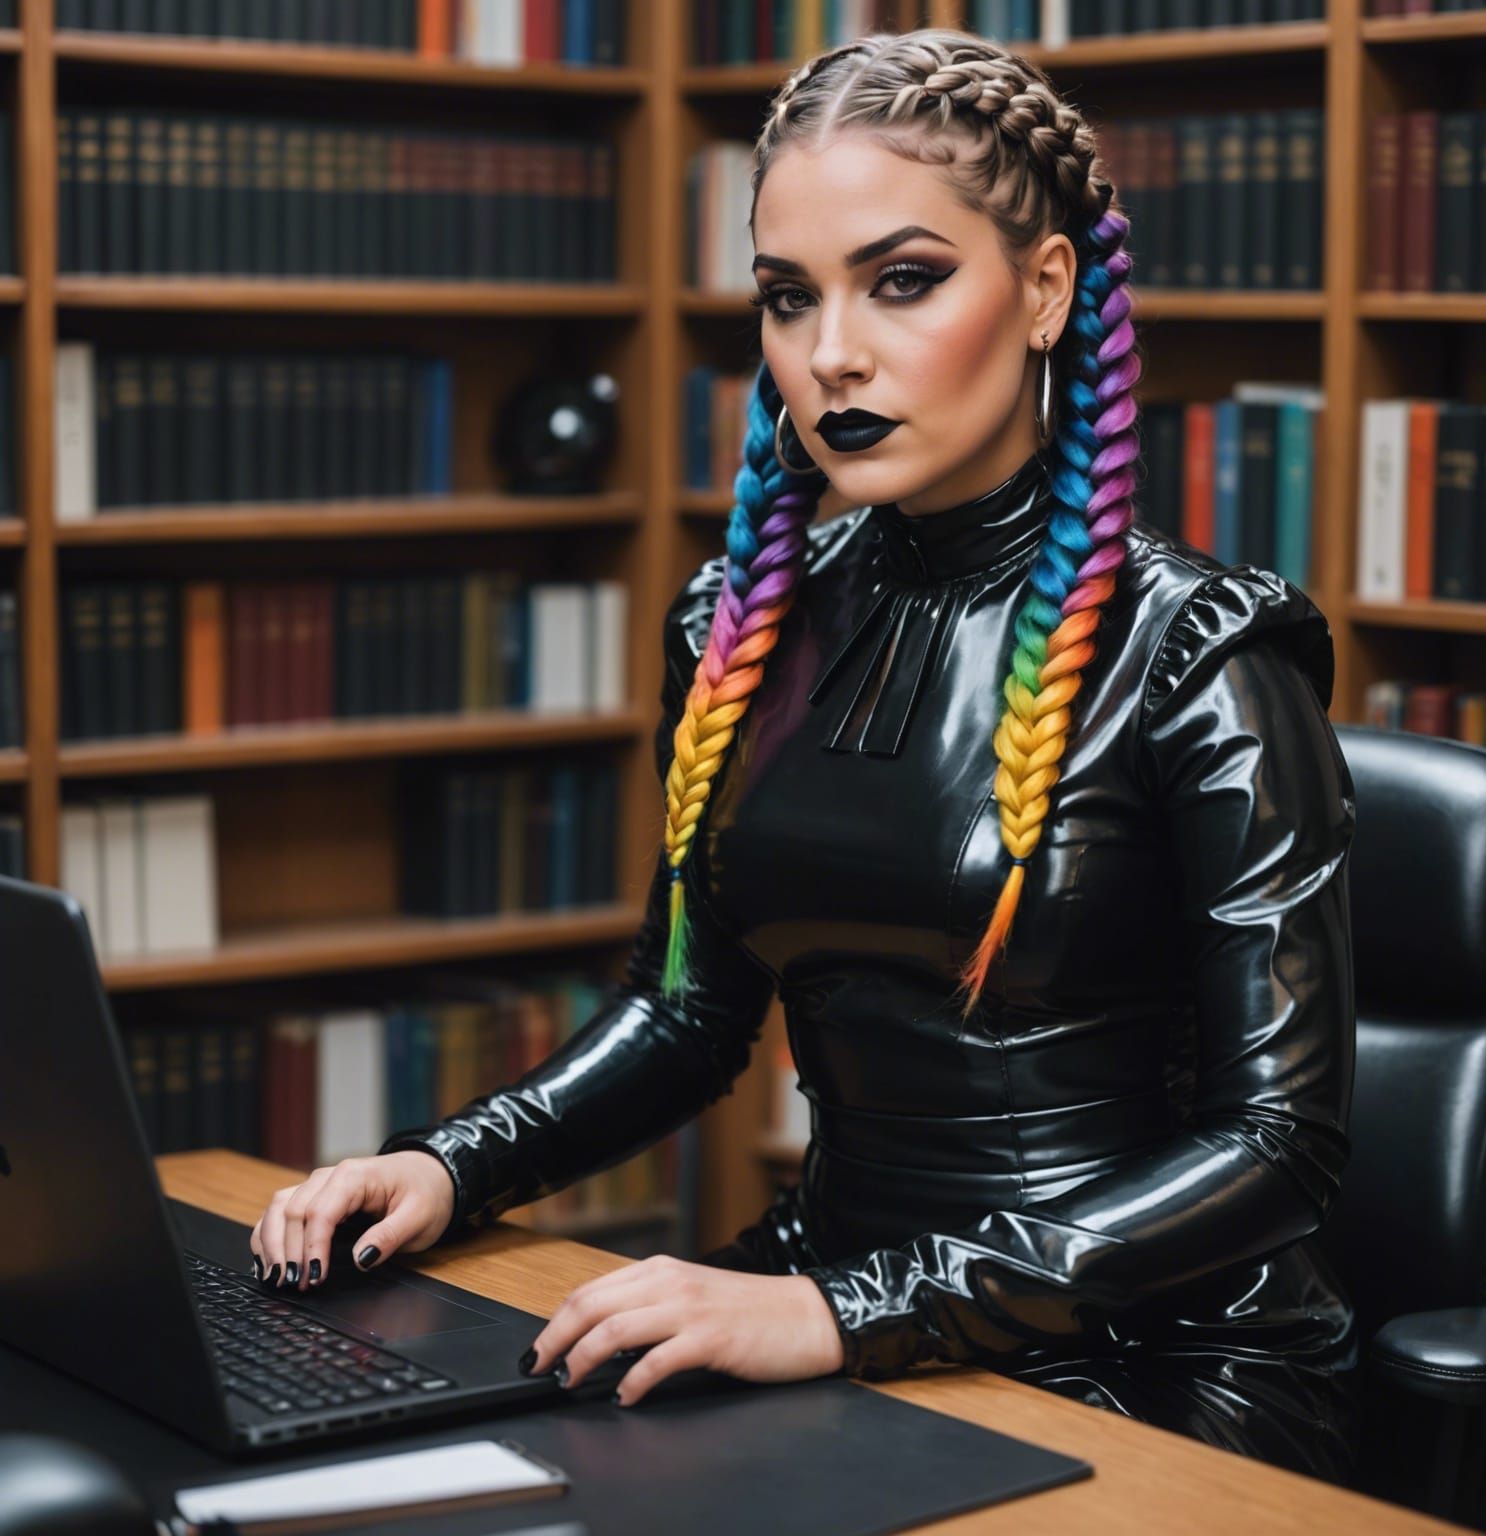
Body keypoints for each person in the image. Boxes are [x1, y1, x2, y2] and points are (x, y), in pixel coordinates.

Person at [249, 29, 1361, 1485]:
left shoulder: (1204, 647)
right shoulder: (738, 624)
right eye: (788, 296)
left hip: (1162, 1352)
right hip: (827, 1289)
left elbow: (1282, 1145)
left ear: (1043, 292)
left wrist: (848, 1313)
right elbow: (687, 1012)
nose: (831, 351)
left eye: (903, 280)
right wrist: (456, 1160)